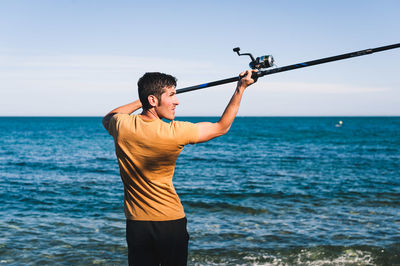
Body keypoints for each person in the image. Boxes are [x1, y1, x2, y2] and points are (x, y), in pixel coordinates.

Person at [102, 69, 257, 266]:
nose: (177, 102)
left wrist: (140, 101)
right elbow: (221, 127)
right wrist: (240, 88)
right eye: (172, 95)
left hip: (136, 224)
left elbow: (108, 117)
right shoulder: (175, 132)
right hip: (170, 222)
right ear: (153, 100)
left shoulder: (121, 125)